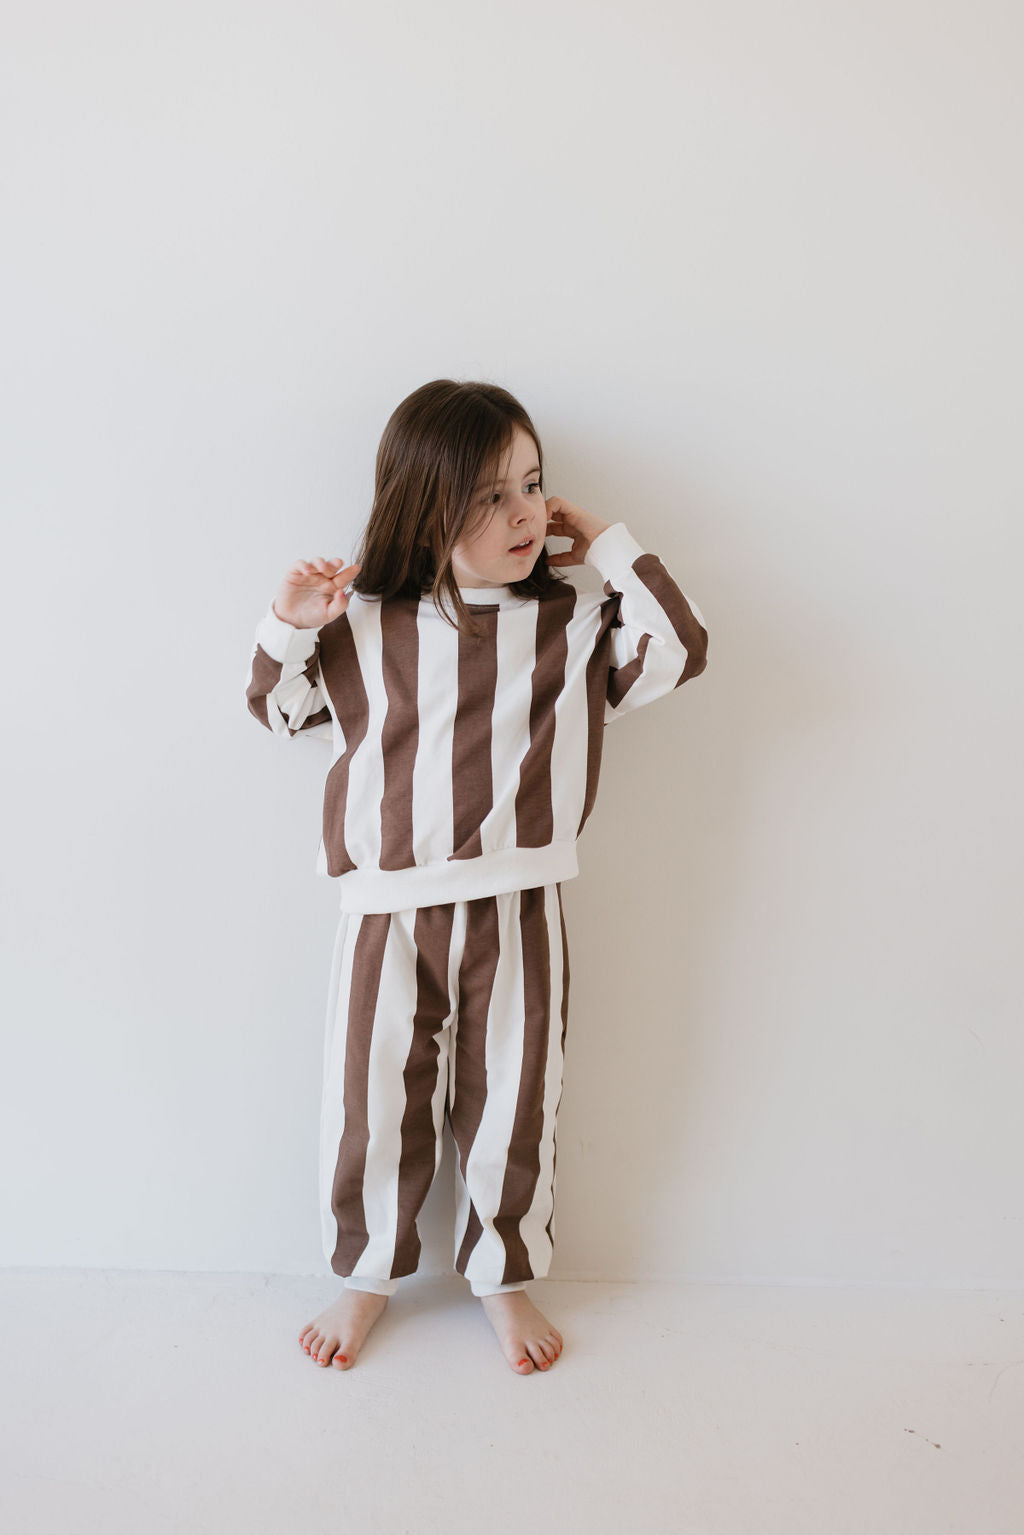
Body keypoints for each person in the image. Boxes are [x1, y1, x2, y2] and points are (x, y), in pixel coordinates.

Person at [244, 379, 709, 1376]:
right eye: (491, 495)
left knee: (514, 1096)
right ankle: (367, 1271)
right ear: (425, 506)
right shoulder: (364, 626)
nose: (526, 513)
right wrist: (288, 622)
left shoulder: (572, 628)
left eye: (534, 485)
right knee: (369, 1100)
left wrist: (611, 541)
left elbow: (682, 647)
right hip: (384, 914)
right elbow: (281, 712)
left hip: (519, 901)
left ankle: (502, 1270)